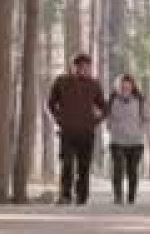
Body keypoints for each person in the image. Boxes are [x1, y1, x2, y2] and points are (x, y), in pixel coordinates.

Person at [47, 53, 107, 205]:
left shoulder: (94, 85)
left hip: (87, 133)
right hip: (67, 132)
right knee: (66, 164)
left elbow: (104, 107)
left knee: (84, 166)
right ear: (74, 66)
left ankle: (82, 196)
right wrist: (58, 119)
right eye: (80, 66)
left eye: (87, 66)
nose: (83, 69)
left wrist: (95, 121)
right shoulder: (61, 81)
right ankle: (65, 195)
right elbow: (50, 103)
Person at [105, 74, 149, 205]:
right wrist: (110, 126)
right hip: (117, 141)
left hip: (136, 142)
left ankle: (131, 197)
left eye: (128, 85)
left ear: (132, 86)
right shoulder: (112, 100)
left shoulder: (140, 100)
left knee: (132, 170)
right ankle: (118, 196)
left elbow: (147, 117)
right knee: (118, 168)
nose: (125, 88)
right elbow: (107, 117)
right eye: (122, 85)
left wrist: (141, 129)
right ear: (118, 87)